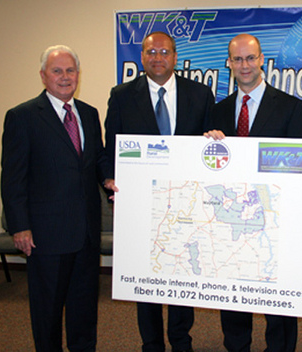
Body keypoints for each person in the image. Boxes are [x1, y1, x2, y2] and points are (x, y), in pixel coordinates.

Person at [1, 45, 117, 351]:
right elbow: (13, 180)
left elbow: (98, 158)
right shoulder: (22, 117)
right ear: (43, 76)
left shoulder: (89, 114)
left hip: (86, 234)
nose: (65, 77)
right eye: (57, 71)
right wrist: (19, 227)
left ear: (78, 74)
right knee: (47, 311)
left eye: (71, 70)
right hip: (45, 236)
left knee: (84, 311)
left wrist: (108, 177)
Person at [104, 31, 214, 352]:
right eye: (150, 52)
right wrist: (109, 180)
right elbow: (110, 148)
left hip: (185, 206)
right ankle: (151, 343)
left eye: (164, 52)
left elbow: (209, 148)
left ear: (175, 57)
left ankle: (181, 341)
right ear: (142, 57)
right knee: (145, 280)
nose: (157, 58)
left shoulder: (200, 94)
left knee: (182, 273)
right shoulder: (122, 95)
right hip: (140, 206)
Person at [205, 33, 302, 352]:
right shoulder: (217, 112)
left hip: (275, 221)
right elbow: (209, 170)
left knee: (278, 304)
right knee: (233, 297)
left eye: (251, 58)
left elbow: (301, 170)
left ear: (262, 59)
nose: (245, 65)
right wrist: (209, 146)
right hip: (233, 222)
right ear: (229, 63)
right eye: (238, 59)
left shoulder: (291, 107)